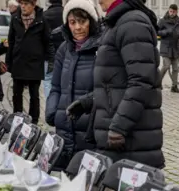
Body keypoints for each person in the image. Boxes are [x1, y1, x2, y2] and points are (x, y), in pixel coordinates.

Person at [66, 0, 164, 169]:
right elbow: (114, 82)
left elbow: (141, 81)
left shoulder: (132, 23)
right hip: (120, 138)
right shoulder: (117, 22)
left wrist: (120, 126)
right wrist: (88, 102)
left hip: (132, 141)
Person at [45, 0, 100, 169]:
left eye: (82, 21)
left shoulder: (101, 49)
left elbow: (104, 90)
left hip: (89, 129)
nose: (77, 27)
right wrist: (52, 112)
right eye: (72, 22)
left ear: (91, 21)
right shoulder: (64, 49)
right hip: (63, 126)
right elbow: (55, 87)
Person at [7, 0, 52, 124]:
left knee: (34, 95)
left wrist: (50, 60)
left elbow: (48, 42)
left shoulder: (42, 20)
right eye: (21, 4)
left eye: (26, 4)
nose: (23, 6)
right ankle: (17, 118)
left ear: (33, 5)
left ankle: (34, 121)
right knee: (17, 93)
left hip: (35, 63)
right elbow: (11, 41)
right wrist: (9, 61)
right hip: (18, 61)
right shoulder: (15, 19)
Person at [158, 4, 179, 93]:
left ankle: (174, 86)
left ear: (176, 12)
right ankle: (158, 83)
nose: (172, 13)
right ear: (169, 11)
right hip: (166, 47)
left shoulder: (178, 21)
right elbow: (157, 32)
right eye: (170, 11)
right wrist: (166, 32)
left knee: (176, 68)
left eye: (173, 11)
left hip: (175, 47)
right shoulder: (162, 21)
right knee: (166, 66)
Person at [43, 0, 64, 98]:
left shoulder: (45, 15)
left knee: (48, 81)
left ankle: (50, 106)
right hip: (65, 54)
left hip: (49, 56)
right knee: (64, 80)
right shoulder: (66, 13)